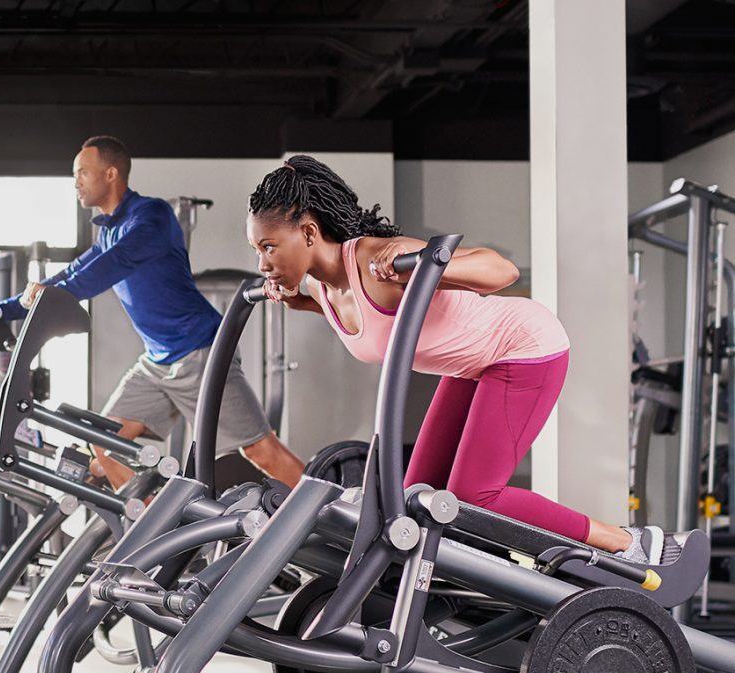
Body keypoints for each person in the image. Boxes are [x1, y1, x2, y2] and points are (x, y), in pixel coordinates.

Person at [246, 154, 670, 563]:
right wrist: (302, 305)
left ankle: (625, 541)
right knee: (416, 495)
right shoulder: (322, 288)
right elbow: (377, 324)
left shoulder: (375, 257)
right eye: (257, 251)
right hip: (471, 366)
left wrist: (424, 266)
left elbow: (502, 271)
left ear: (307, 232)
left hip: (522, 348)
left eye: (268, 247)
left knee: (473, 496)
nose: (262, 263)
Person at [0, 135, 304, 486]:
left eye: (82, 172)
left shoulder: (151, 217)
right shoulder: (109, 232)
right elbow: (72, 272)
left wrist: (51, 294)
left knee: (259, 451)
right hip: (157, 362)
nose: (76, 182)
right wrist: (3, 309)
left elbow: (108, 267)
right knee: (101, 444)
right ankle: (152, 526)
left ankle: (336, 513)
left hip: (199, 352)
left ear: (111, 174)